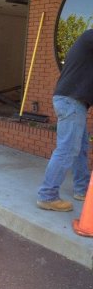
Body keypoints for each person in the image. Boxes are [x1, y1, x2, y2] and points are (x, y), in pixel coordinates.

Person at [37, 30, 92, 212]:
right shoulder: (89, 36)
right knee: (67, 150)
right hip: (71, 101)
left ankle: (81, 189)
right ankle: (48, 196)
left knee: (81, 147)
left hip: (74, 102)